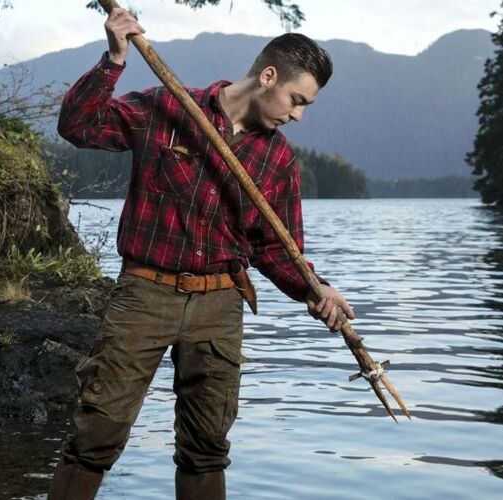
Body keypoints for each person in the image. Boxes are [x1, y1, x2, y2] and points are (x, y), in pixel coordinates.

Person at [47, 8, 356, 500]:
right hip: (144, 294)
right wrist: (114, 59)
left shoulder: (278, 159)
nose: (297, 115)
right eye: (297, 100)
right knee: (96, 433)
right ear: (267, 77)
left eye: (306, 107)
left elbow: (276, 248)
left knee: (206, 446)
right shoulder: (169, 107)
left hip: (219, 303)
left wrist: (314, 291)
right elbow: (78, 126)